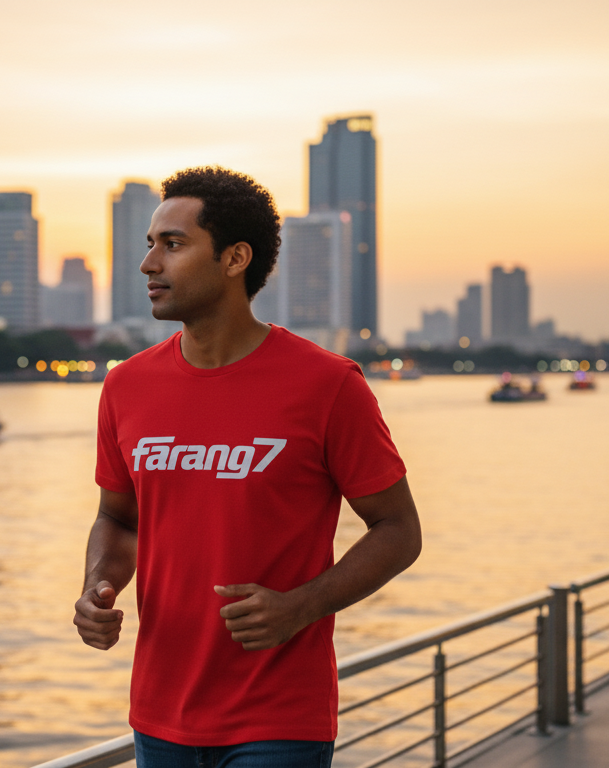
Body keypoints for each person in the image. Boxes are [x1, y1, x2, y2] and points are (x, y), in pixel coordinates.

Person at [73, 166, 422, 767]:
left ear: (235, 258)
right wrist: (96, 588)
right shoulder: (126, 386)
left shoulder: (328, 385)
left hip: (279, 714)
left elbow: (398, 531)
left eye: (173, 245)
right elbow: (118, 517)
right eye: (150, 244)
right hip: (160, 713)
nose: (149, 264)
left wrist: (300, 607)